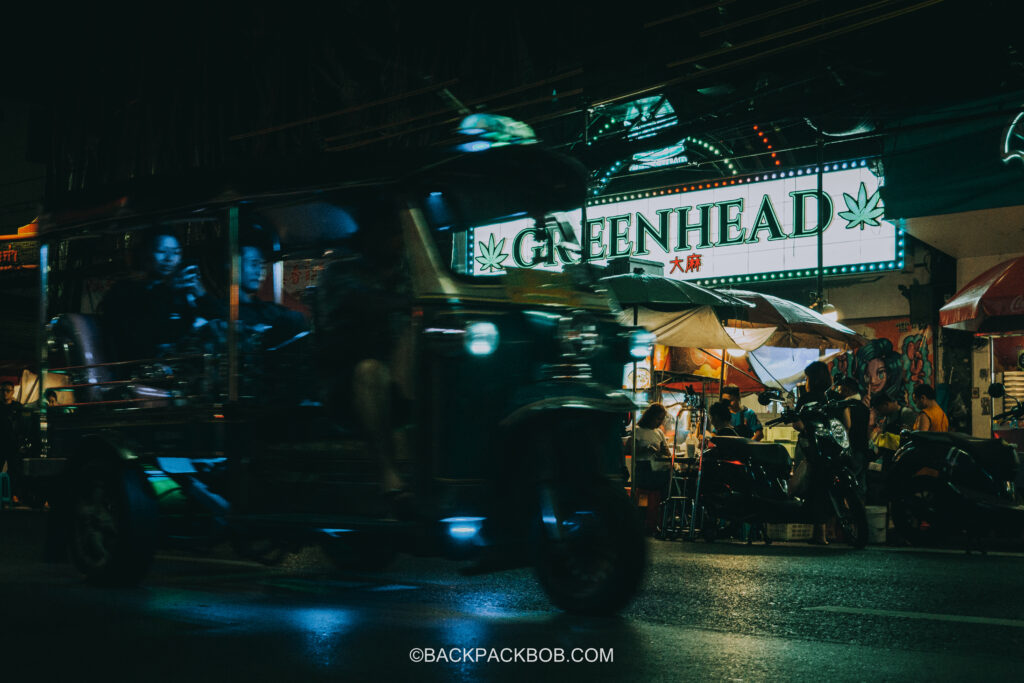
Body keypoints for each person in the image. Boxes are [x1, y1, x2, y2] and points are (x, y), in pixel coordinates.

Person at [100, 230, 221, 363]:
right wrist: (167, 291)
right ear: (145, 255)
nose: (169, 258)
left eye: (176, 252)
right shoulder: (125, 290)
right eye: (162, 252)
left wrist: (202, 295)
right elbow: (137, 333)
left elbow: (220, 320)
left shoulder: (182, 290)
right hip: (144, 367)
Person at [794, 361, 833, 545]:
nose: (806, 381)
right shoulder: (829, 398)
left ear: (813, 379)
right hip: (828, 449)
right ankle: (823, 533)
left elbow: (797, 424)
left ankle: (818, 533)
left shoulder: (805, 399)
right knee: (823, 487)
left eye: (807, 377)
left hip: (809, 448)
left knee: (808, 486)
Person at [835, 376, 870, 495]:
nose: (839, 394)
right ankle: (861, 509)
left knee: (850, 480)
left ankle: (851, 509)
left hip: (853, 448)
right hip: (863, 448)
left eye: (840, 391)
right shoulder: (865, 407)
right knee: (861, 482)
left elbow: (847, 427)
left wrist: (845, 447)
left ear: (848, 390)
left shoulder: (846, 406)